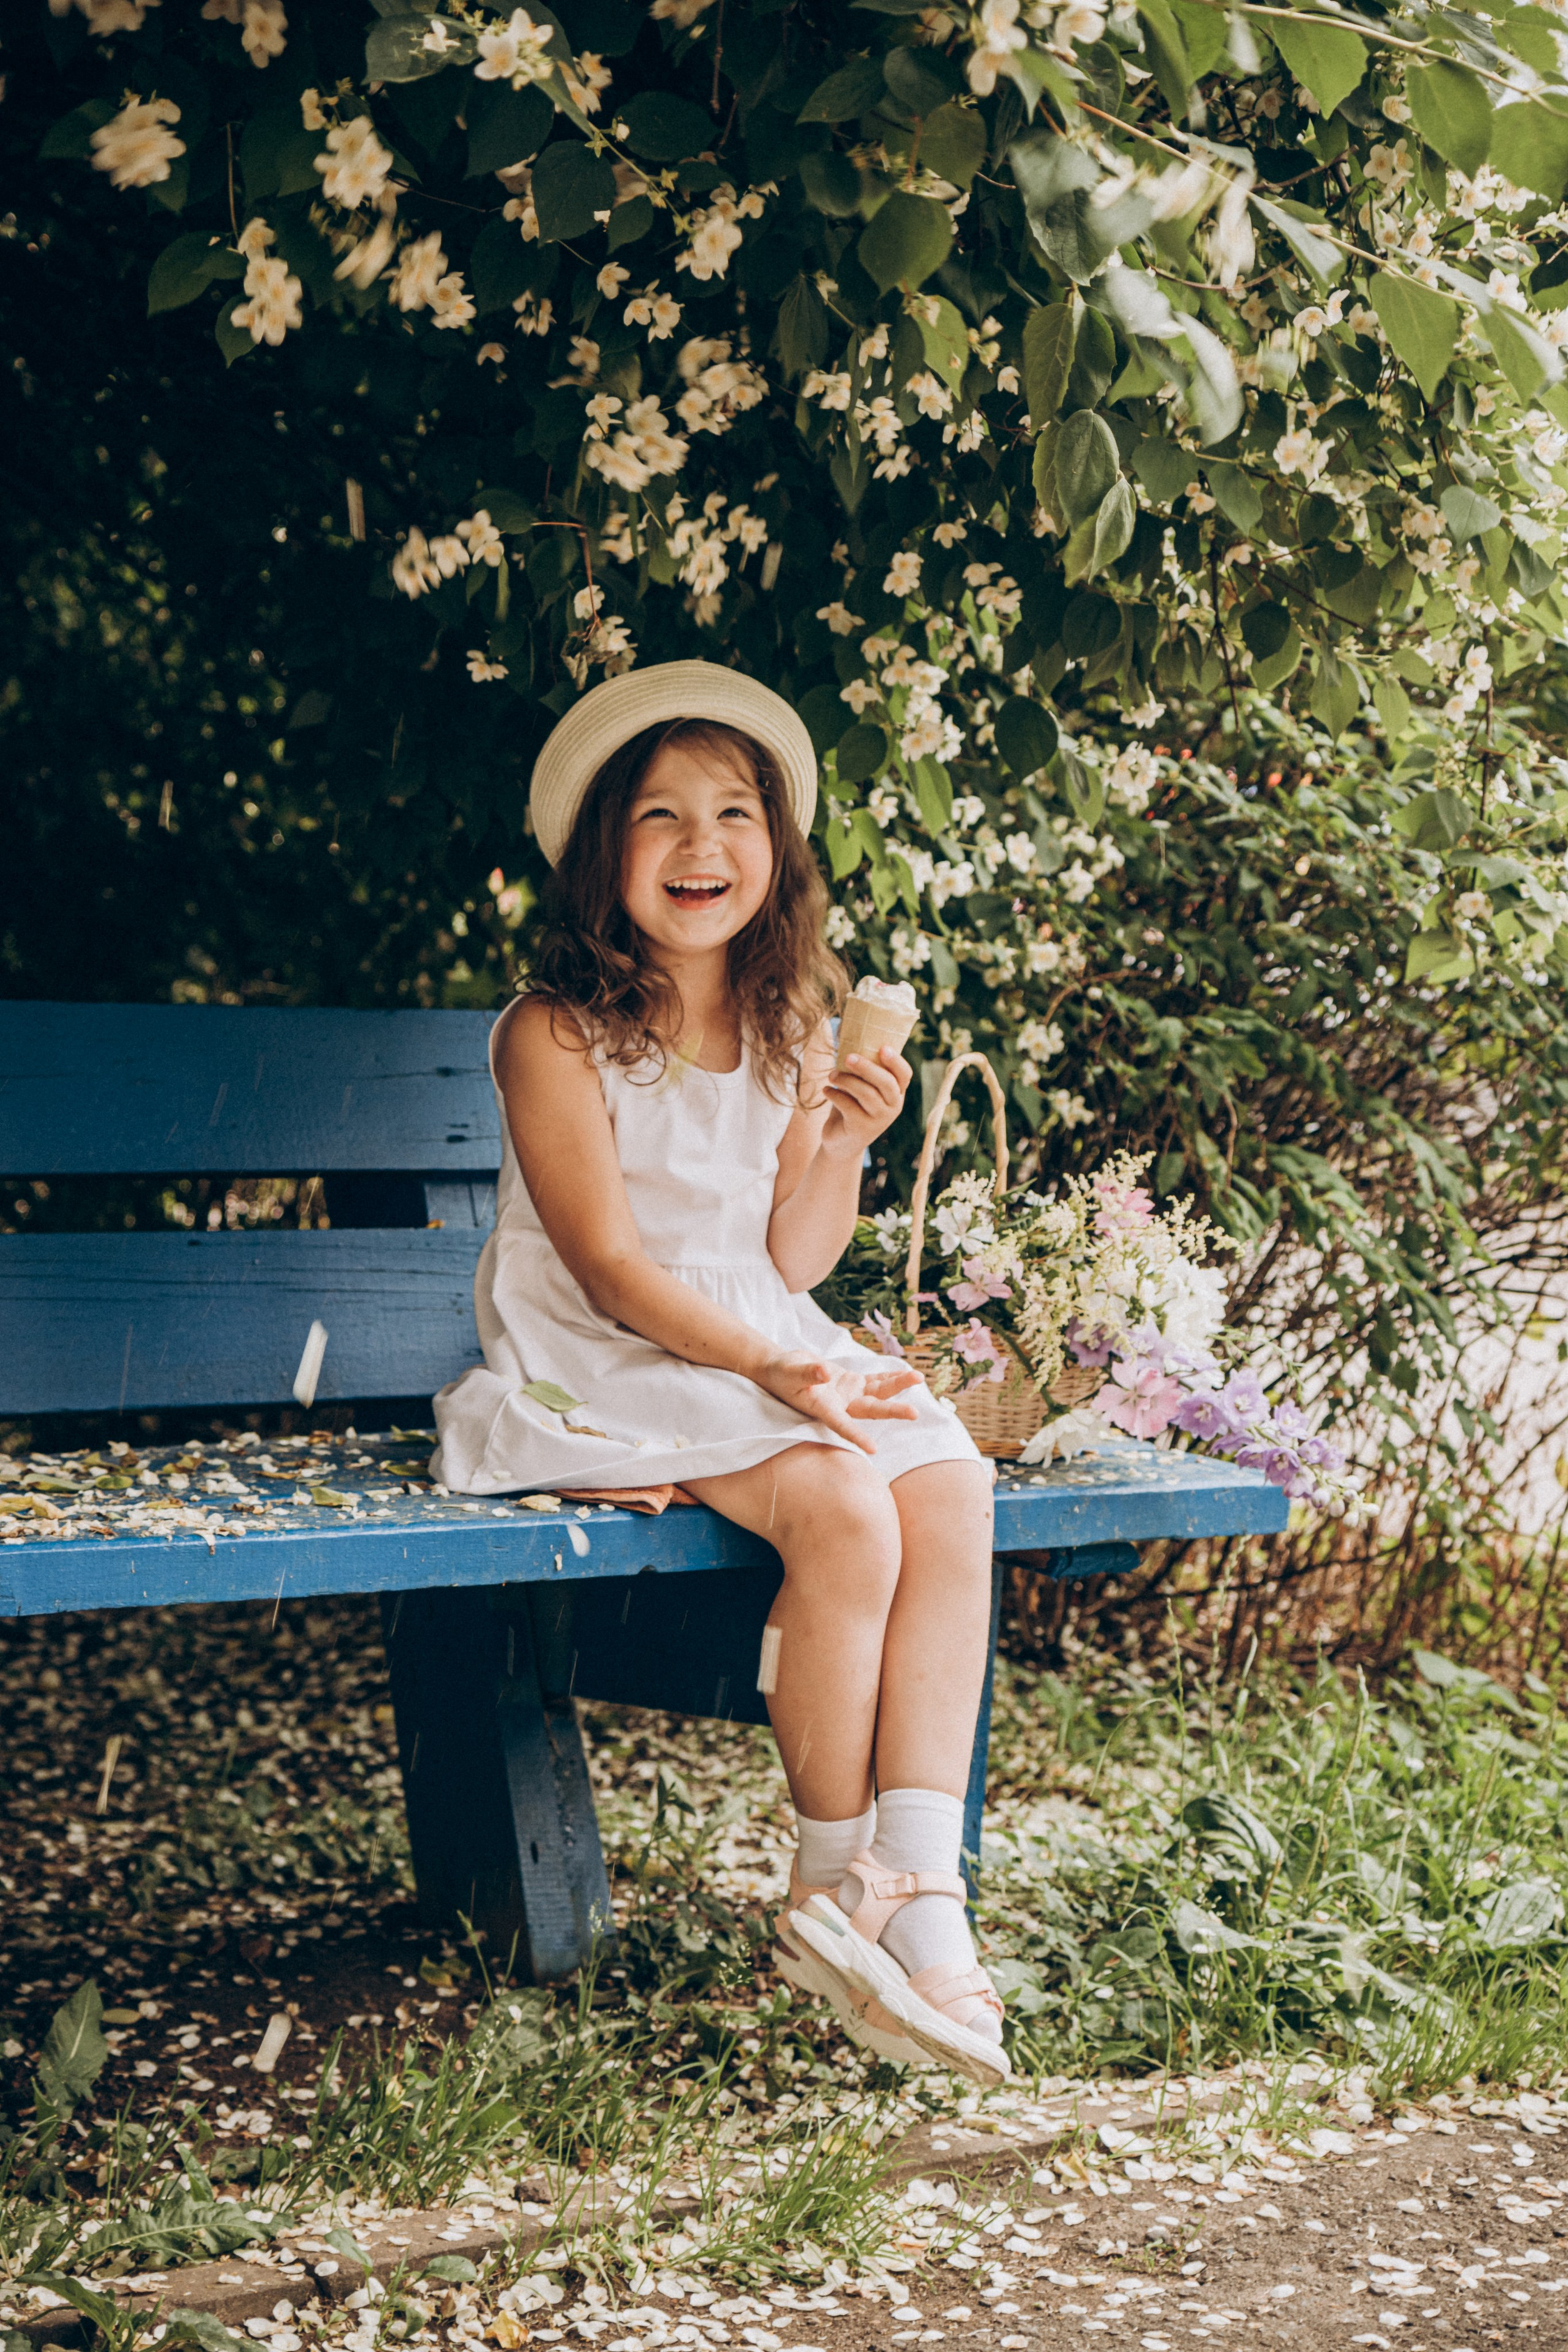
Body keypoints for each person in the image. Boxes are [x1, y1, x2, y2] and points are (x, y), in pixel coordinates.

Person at [432, 662, 1006, 2085]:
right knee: (841, 1508)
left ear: (778, 849)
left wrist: (847, 1142)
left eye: (735, 813)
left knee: (945, 1480)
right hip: (611, 1351)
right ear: (599, 857)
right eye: (661, 818)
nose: (703, 847)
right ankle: (825, 1875)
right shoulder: (549, 1034)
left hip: (756, 1331)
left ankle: (917, 1880)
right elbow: (615, 1271)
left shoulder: (786, 1025)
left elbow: (793, 1259)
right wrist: (784, 1374)